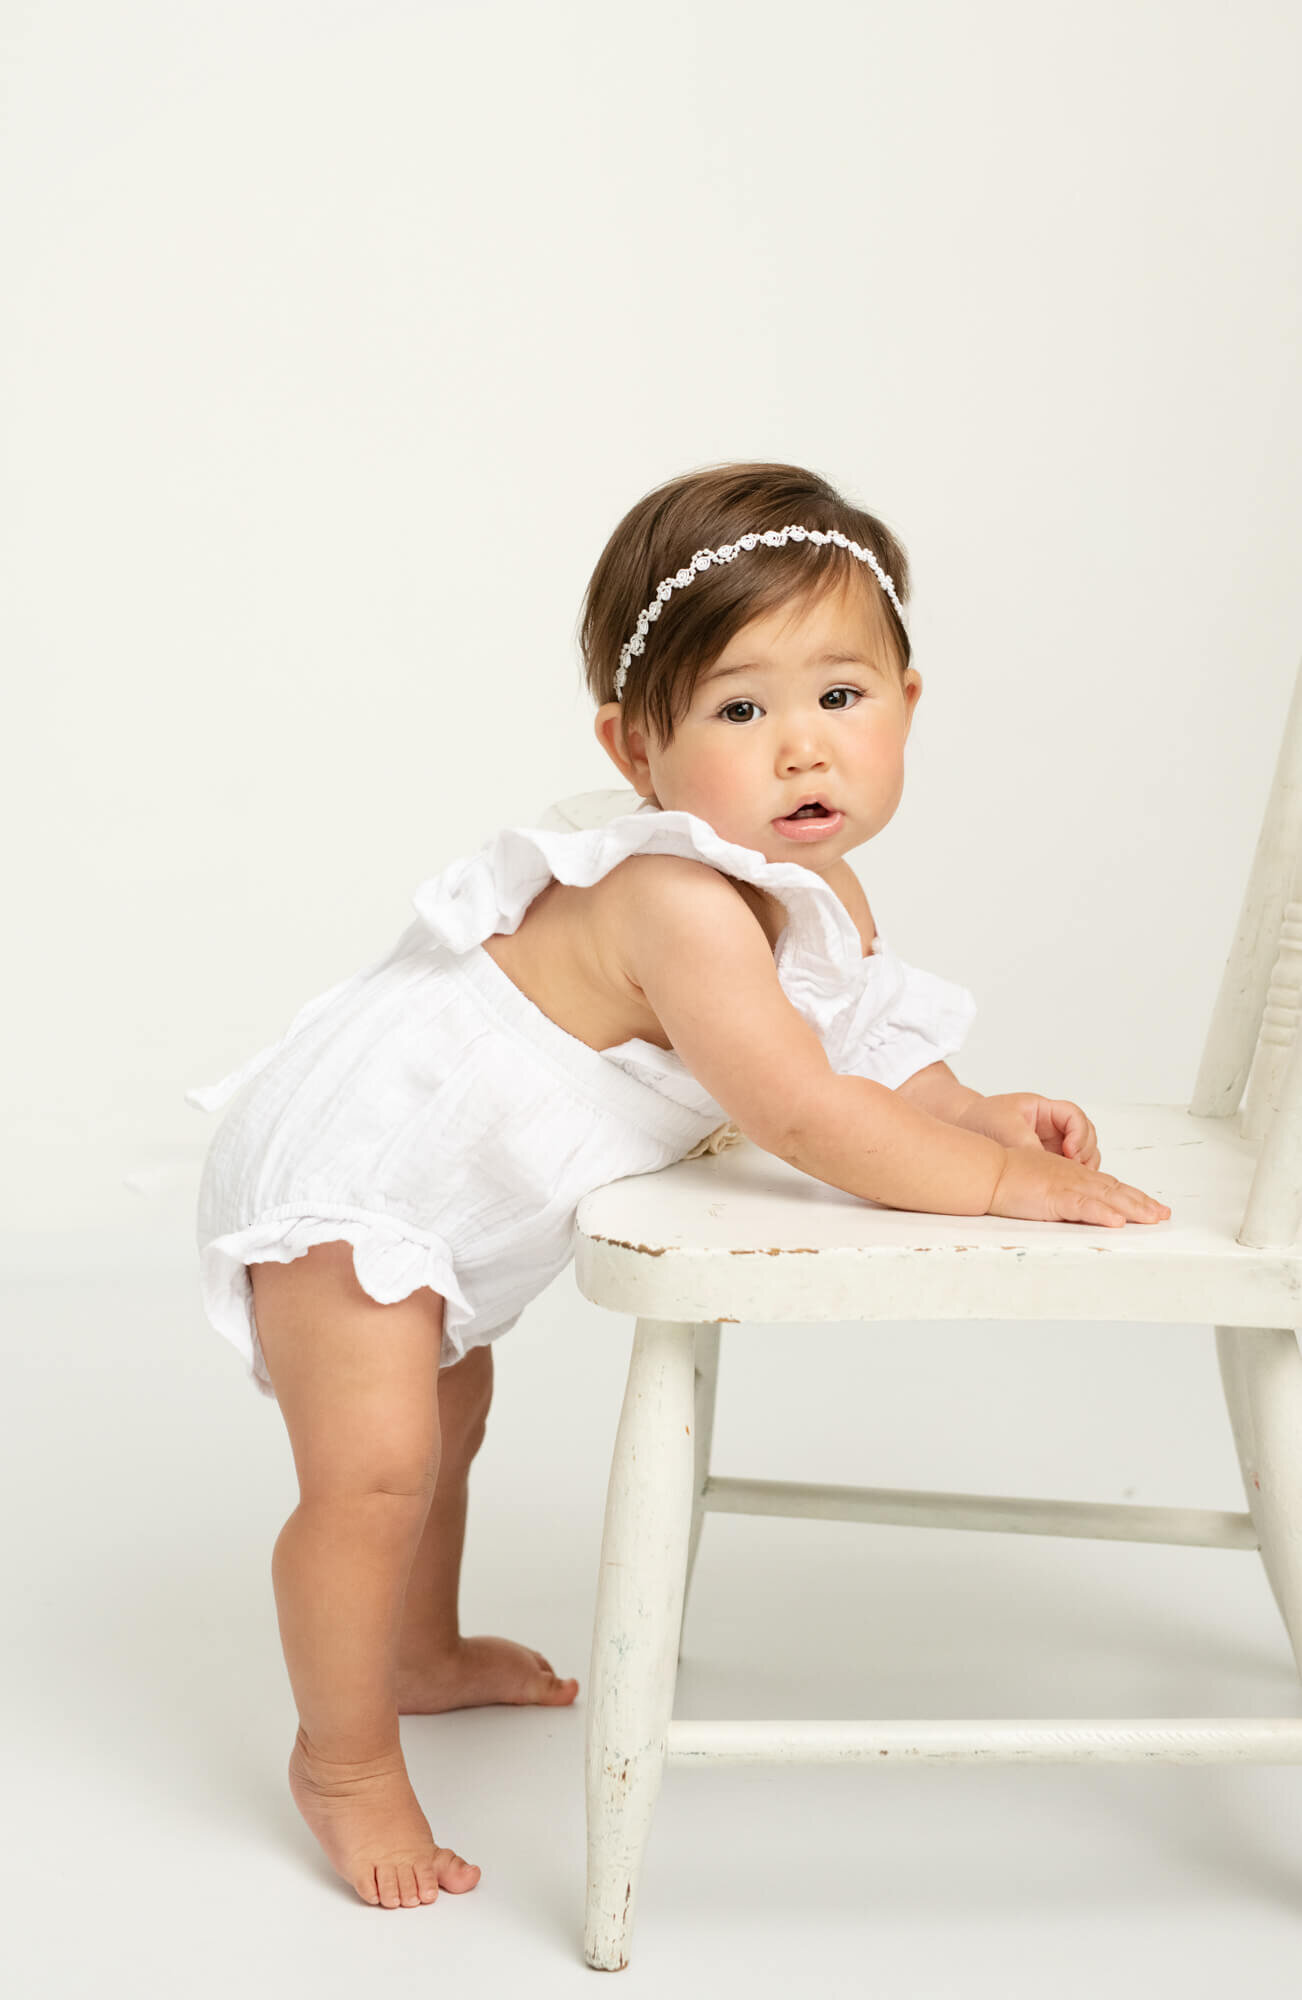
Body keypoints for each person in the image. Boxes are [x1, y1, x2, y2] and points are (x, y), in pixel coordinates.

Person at [185, 458, 1171, 1913]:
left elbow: (856, 1059)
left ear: (908, 704)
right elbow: (797, 1110)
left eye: (840, 697)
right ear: (635, 747)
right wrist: (994, 1189)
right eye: (738, 710)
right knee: (376, 1466)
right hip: (359, 1172)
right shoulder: (676, 899)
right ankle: (340, 1760)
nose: (800, 754)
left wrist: (981, 1112)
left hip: (460, 1197)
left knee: (450, 1414)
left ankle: (418, 1651)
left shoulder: (810, 889)